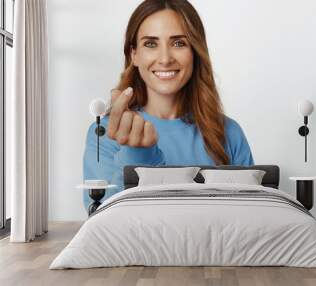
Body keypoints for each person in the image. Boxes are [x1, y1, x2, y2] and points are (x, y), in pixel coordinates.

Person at [83, 0, 254, 209]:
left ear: (195, 52)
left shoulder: (229, 132)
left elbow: (250, 215)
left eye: (179, 43)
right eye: (151, 44)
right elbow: (102, 220)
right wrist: (137, 154)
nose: (165, 59)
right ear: (133, 54)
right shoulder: (105, 134)